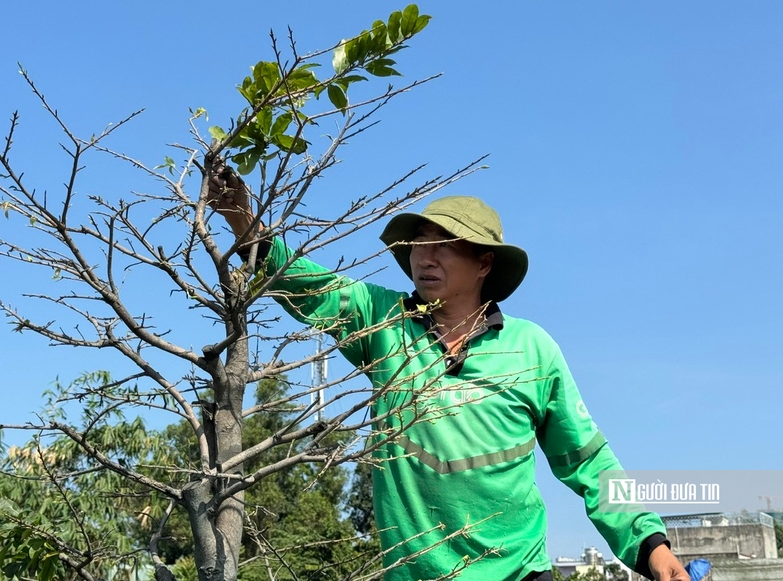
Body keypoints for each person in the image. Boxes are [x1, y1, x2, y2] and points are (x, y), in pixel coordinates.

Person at [209, 166, 689, 581]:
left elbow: (588, 461)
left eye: (444, 243)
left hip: (519, 572)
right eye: (418, 243)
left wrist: (652, 547)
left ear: (484, 262)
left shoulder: (532, 349)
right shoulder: (383, 323)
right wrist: (244, 225)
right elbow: (308, 285)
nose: (426, 255)